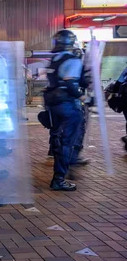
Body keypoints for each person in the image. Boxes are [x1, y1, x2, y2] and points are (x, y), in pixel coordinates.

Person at [43, 30, 85, 191]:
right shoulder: (73, 60)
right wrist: (84, 98)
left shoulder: (54, 60)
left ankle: (60, 174)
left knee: (58, 140)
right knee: (67, 142)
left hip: (53, 105)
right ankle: (59, 178)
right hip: (68, 105)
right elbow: (71, 84)